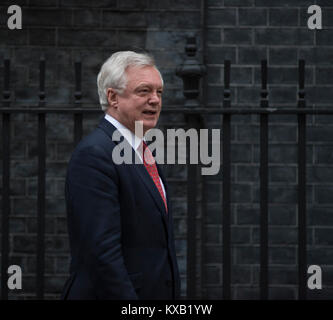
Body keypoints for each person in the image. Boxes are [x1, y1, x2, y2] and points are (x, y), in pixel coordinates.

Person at [61, 51, 180, 300]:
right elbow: (101, 253)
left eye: (159, 92)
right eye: (144, 91)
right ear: (113, 97)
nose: (155, 100)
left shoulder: (141, 150)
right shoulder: (95, 154)